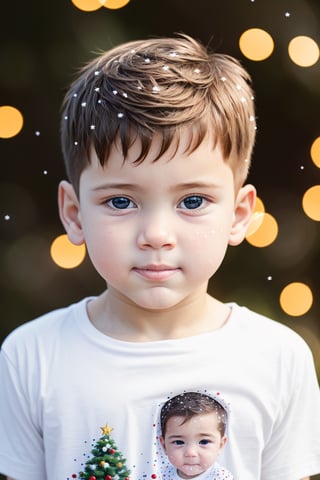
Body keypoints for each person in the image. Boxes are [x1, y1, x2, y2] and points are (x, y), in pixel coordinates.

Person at [0, 33, 319, 480]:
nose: (155, 235)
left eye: (191, 201)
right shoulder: (31, 357)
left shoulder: (279, 358)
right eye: (120, 202)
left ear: (239, 214)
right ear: (74, 214)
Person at [159, 391, 233, 479]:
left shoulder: (221, 477)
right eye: (179, 442)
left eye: (204, 442)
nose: (190, 453)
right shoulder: (162, 475)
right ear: (164, 446)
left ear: (220, 445)